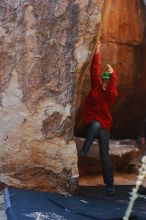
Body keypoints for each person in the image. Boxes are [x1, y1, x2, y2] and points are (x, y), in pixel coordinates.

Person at [79, 41, 118, 196]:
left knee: (105, 156)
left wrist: (113, 74)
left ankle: (110, 184)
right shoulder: (96, 86)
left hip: (104, 127)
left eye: (107, 82)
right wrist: (96, 52)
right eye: (104, 80)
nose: (105, 83)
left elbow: (113, 87)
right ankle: (85, 149)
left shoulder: (110, 95)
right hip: (91, 121)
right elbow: (94, 69)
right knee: (94, 124)